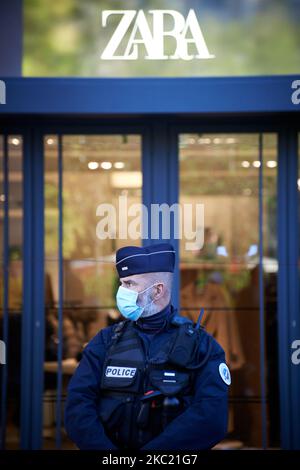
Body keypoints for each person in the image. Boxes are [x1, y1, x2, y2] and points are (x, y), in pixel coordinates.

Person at [64, 242, 229, 450]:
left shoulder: (202, 346)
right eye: (122, 283)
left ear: (157, 290)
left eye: (130, 284)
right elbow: (78, 405)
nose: (122, 291)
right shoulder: (107, 341)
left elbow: (211, 418)